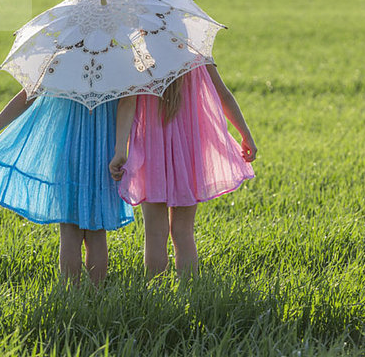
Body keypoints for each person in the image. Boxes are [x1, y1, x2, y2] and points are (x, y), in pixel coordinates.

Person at [0, 90, 134, 286]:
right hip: (103, 150)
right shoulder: (119, 62)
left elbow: (28, 95)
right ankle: (97, 295)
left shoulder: (62, 60)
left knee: (70, 230)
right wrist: (120, 149)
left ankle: (71, 296)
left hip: (69, 147)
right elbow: (128, 102)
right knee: (97, 231)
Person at [109, 63, 257, 278]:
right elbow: (223, 95)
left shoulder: (139, 58)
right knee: (183, 230)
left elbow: (127, 102)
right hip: (189, 152)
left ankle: (155, 293)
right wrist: (246, 135)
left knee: (155, 232)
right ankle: (190, 291)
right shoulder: (195, 55)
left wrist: (121, 148)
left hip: (152, 154)